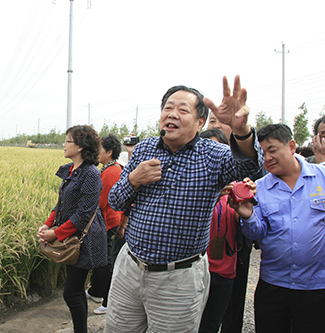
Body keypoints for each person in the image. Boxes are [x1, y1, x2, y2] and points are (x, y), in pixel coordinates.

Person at [105, 76, 264, 332]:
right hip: (130, 268)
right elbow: (115, 200)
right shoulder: (145, 149)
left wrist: (242, 132)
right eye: (168, 107)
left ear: (201, 122)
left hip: (178, 278)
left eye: (182, 109)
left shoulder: (214, 155)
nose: (172, 114)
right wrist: (133, 180)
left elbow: (251, 167)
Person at [230, 124, 325, 333]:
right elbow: (257, 232)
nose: (267, 158)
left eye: (272, 150)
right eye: (262, 153)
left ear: (291, 146)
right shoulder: (259, 188)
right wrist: (247, 215)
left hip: (317, 287)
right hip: (274, 285)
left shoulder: (322, 177)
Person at [37, 125, 107, 333]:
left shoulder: (91, 174)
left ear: (80, 146)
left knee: (72, 292)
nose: (64, 145)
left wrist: (55, 234)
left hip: (85, 239)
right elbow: (61, 204)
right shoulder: (70, 170)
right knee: (75, 291)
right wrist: (48, 223)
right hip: (70, 234)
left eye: (68, 141)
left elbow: (84, 213)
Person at [198, 128, 239, 333]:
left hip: (224, 271)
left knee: (211, 325)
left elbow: (252, 231)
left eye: (219, 150)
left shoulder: (237, 190)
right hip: (194, 271)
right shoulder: (191, 192)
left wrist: (244, 207)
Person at [86, 134, 124, 315]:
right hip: (110, 221)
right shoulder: (113, 168)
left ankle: (108, 302)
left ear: (109, 152)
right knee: (103, 261)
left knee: (105, 262)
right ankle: (96, 292)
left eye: (99, 150)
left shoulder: (110, 172)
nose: (96, 153)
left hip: (109, 223)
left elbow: (100, 202)